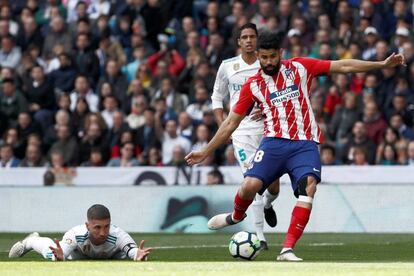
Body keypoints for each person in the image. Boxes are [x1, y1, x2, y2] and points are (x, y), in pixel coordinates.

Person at [185, 30, 405, 261]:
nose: (269, 62)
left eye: (272, 56)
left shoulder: (300, 67)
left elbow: (342, 66)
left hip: (304, 143)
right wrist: (206, 151)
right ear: (258, 56)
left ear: (281, 53)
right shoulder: (253, 85)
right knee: (249, 186)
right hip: (273, 144)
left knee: (308, 187)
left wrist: (381, 64)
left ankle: (287, 249)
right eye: (264, 57)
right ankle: (237, 216)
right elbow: (230, 122)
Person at [210, 23, 279, 250]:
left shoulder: (267, 64)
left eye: (252, 36)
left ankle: (268, 205)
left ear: (257, 40)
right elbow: (217, 98)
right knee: (253, 182)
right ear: (238, 42)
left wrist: (268, 108)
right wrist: (224, 127)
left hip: (268, 130)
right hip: (241, 133)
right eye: (244, 37)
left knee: (274, 188)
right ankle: (260, 237)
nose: (249, 40)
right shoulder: (228, 66)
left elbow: (278, 93)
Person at [9, 204, 152, 261]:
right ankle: (31, 241)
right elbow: (62, 252)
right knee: (52, 255)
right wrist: (59, 255)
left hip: (112, 255)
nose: (103, 232)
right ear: (87, 226)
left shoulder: (118, 234)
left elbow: (132, 250)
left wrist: (138, 255)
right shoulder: (76, 233)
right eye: (97, 227)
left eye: (106, 226)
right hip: (79, 254)